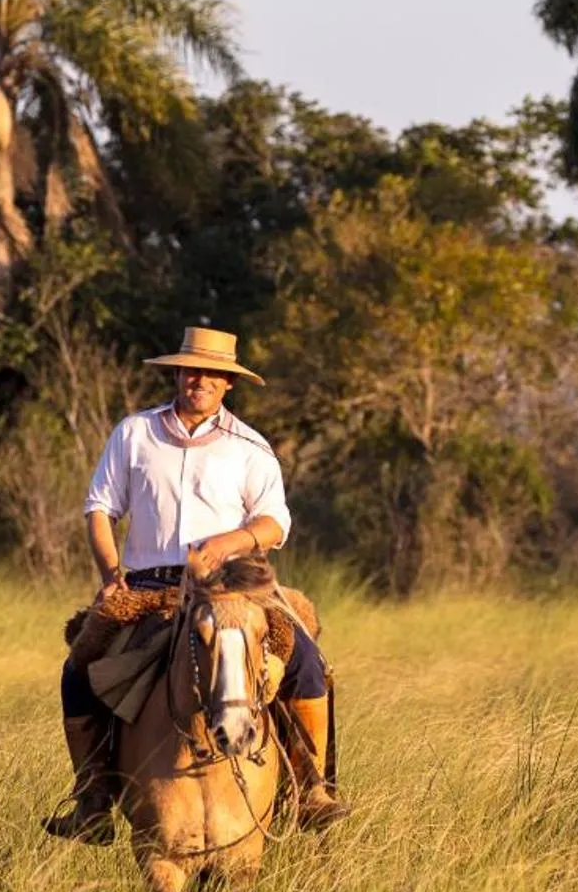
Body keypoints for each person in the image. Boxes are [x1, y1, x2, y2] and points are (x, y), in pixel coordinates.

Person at [47, 326, 351, 843]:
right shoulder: (134, 433)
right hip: (147, 586)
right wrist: (110, 576)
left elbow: (275, 523)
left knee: (304, 658)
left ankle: (311, 786)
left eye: (212, 373)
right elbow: (100, 508)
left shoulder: (250, 446)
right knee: (79, 667)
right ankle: (93, 798)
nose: (200, 380)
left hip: (230, 587)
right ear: (177, 373)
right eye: (192, 370)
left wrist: (230, 543)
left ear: (228, 383)